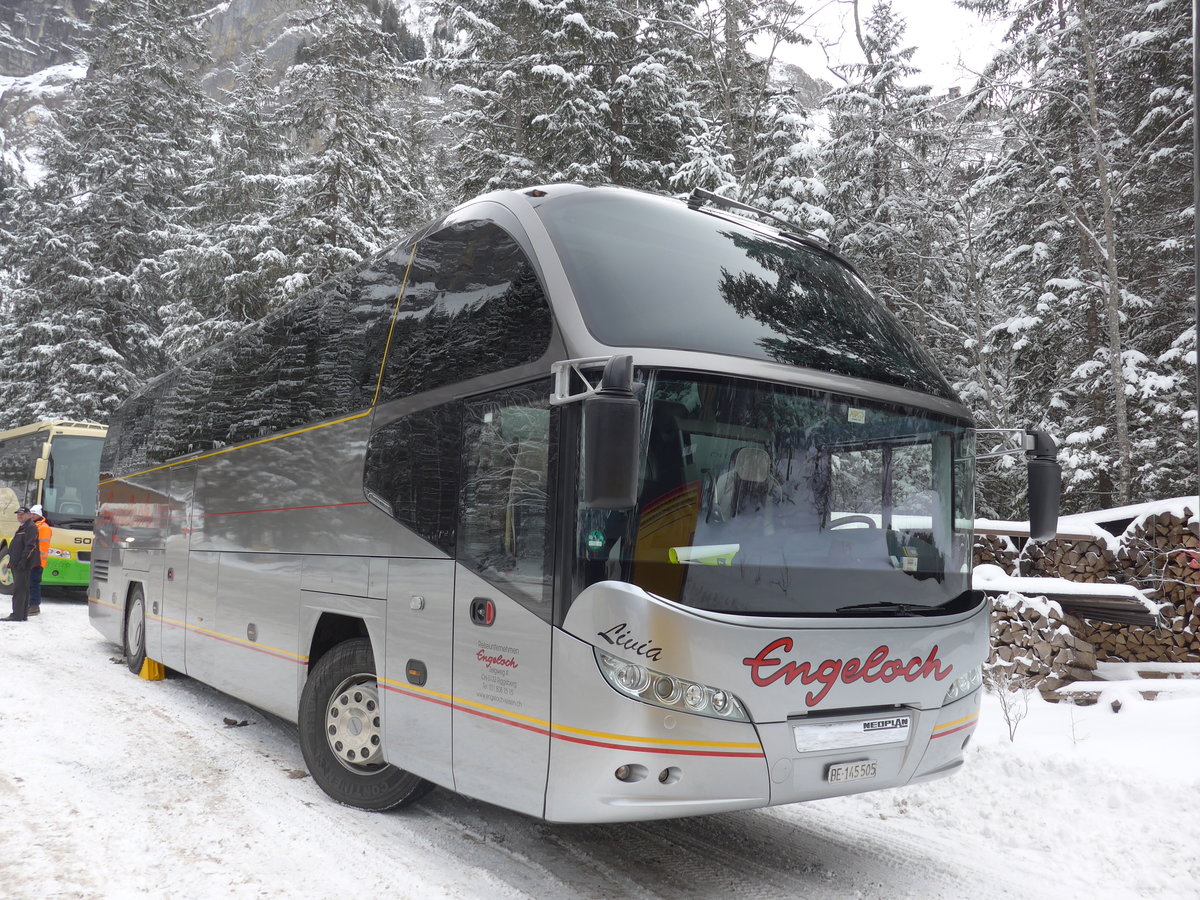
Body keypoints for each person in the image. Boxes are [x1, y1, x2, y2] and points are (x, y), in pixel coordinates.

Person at [3, 506, 40, 622]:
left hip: (22, 564)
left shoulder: (30, 527)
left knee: (19, 590)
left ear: (29, 515)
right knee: (23, 589)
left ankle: (17, 615)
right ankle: (22, 614)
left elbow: (30, 545)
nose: (19, 516)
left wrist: (23, 560)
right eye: (18, 514)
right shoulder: (24, 526)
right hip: (17, 562)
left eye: (22, 514)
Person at [27, 504, 52, 616]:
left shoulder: (43, 528)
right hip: (32, 560)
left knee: (34, 582)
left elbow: (43, 546)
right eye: (31, 514)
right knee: (30, 582)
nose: (32, 516)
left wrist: (35, 559)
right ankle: (31, 604)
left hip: (37, 561)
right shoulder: (34, 526)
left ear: (39, 515)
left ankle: (34, 606)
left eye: (34, 514)